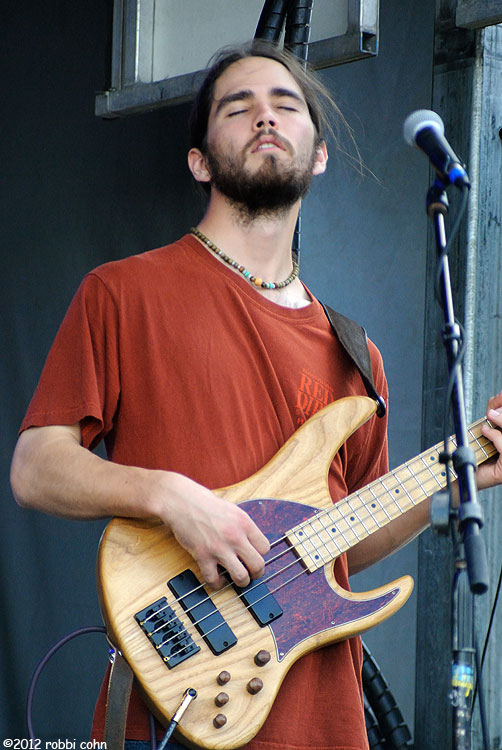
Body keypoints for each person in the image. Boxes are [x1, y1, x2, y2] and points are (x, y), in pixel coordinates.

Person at [10, 39, 502, 750]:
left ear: (319, 155)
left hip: (322, 723)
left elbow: (341, 543)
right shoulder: (124, 292)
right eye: (238, 108)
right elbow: (35, 467)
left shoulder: (357, 355)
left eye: (286, 105)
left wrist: (457, 478)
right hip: (175, 703)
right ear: (200, 161)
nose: (265, 117)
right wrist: (172, 498)